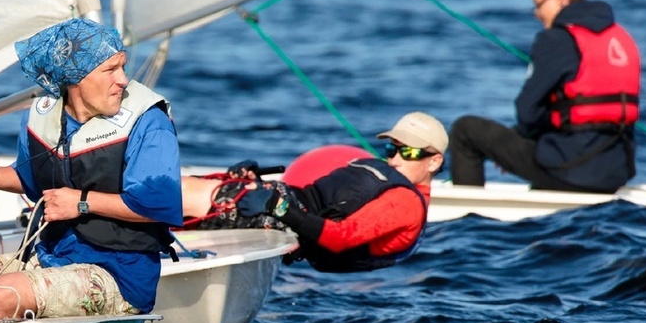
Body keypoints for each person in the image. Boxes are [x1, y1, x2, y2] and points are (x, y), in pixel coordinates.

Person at [0, 18, 182, 323]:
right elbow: (30, 179)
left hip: (120, 273)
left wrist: (81, 203)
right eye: (110, 70)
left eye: (122, 66)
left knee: (4, 296)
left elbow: (156, 204)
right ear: (75, 77)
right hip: (54, 257)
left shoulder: (149, 123)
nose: (122, 80)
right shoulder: (43, 118)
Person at [447, 0, 640, 193]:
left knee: (465, 131)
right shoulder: (620, 36)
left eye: (539, 4)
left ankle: (469, 220)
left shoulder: (555, 39)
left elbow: (527, 113)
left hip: (571, 170)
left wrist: (518, 139)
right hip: (616, 173)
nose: (537, 13)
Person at [181, 112, 447, 273]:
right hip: (280, 207)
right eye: (392, 150)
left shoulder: (405, 202)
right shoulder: (394, 185)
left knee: (180, 192)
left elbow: (340, 238)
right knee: (181, 193)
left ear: (434, 162)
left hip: (279, 219)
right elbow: (312, 197)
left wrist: (278, 207)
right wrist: (259, 182)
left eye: (409, 152)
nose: (396, 159)